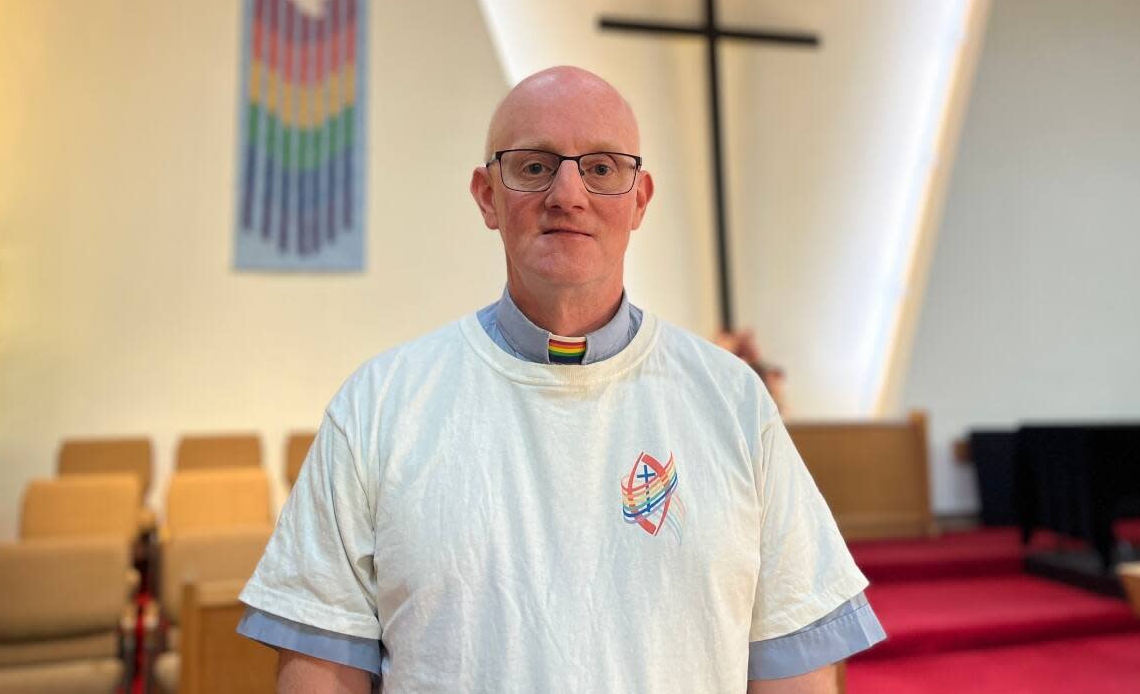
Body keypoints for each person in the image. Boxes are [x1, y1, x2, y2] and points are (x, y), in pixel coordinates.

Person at [237, 66, 885, 692]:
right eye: (534, 165)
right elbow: (322, 670)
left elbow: (792, 663)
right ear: (488, 195)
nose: (568, 194)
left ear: (640, 199)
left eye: (602, 167)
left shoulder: (734, 402)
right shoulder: (379, 406)